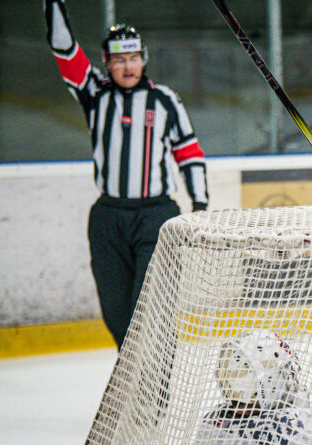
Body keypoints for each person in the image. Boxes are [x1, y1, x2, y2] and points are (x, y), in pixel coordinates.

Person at [45, 0, 208, 348]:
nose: (128, 66)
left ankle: (159, 378)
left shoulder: (165, 100)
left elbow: (189, 153)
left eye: (134, 57)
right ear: (106, 63)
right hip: (108, 218)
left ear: (144, 59)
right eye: (119, 60)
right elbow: (63, 48)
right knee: (117, 313)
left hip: (157, 216)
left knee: (150, 308)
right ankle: (135, 374)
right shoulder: (94, 94)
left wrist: (199, 205)